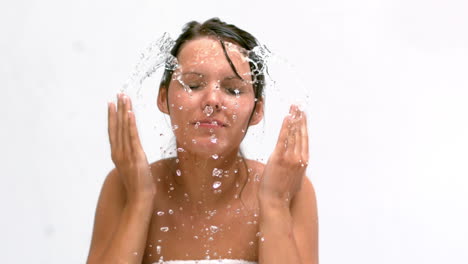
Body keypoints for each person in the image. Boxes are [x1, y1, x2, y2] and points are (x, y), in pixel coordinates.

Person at [86, 18, 318, 264]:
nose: (212, 100)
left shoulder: (291, 190)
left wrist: (274, 206)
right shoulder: (124, 186)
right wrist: (139, 200)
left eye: (233, 90)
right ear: (163, 98)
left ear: (257, 110)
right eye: (194, 85)